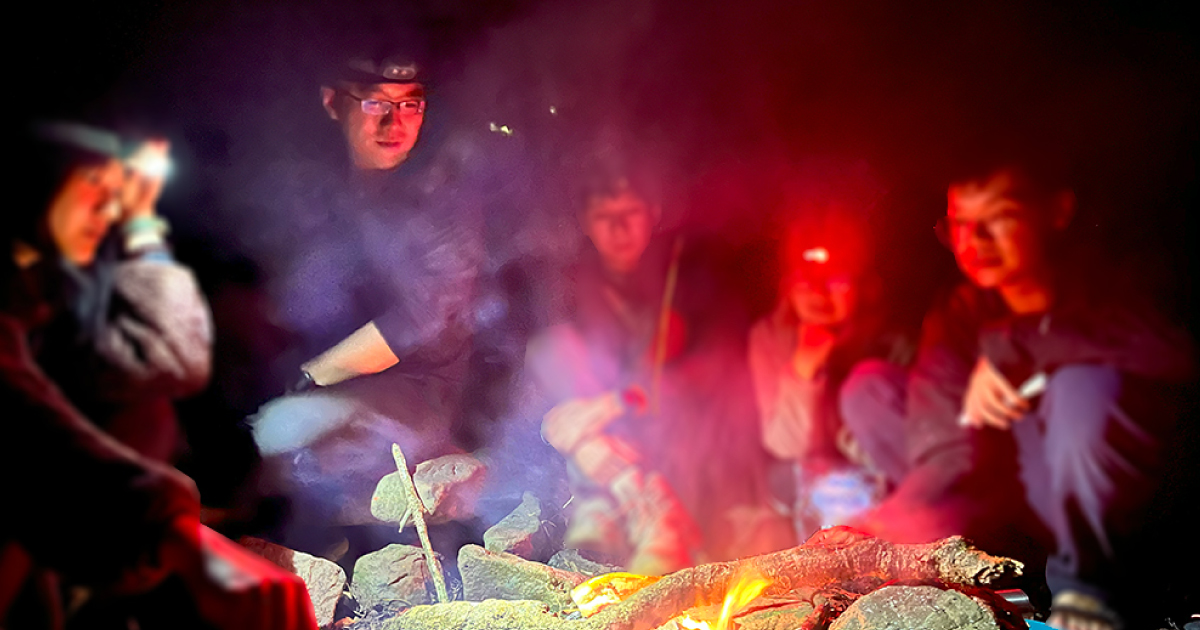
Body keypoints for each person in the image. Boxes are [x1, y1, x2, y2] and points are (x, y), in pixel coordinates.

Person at [2, 121, 317, 630]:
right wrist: (177, 532)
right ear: (37, 198)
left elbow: (178, 365)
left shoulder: (52, 292)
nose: (109, 213)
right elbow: (39, 441)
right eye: (93, 194)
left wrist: (144, 231)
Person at [862, 149, 1196, 630]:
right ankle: (982, 579)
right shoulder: (959, 314)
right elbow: (943, 449)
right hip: (1010, 513)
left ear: (1056, 213)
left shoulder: (1112, 280)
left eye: (999, 218)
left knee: (1082, 389)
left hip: (1131, 521)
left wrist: (1024, 344)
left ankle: (1091, 597)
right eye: (960, 223)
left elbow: (1175, 354)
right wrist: (884, 525)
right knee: (872, 388)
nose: (975, 241)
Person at [245, 50, 495, 558]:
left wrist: (311, 374)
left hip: (418, 392)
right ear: (333, 102)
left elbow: (417, 323)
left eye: (410, 105)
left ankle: (329, 548)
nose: (394, 122)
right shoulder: (325, 186)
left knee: (273, 433)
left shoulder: (441, 195)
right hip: (337, 382)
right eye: (376, 102)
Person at [528, 163, 781, 574]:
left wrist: (612, 404)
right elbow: (549, 382)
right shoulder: (577, 286)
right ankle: (650, 512)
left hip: (693, 444)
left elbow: (709, 374)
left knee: (579, 432)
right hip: (617, 450)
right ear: (585, 223)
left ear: (654, 213)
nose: (619, 228)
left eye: (630, 213)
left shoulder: (691, 277)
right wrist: (580, 429)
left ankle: (663, 529)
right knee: (551, 352)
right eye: (603, 217)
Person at [748, 203, 912, 541]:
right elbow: (785, 444)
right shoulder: (771, 338)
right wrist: (803, 371)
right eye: (804, 282)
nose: (818, 293)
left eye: (835, 280)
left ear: (864, 285)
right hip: (808, 488)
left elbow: (909, 449)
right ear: (787, 287)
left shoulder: (896, 343)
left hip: (887, 489)